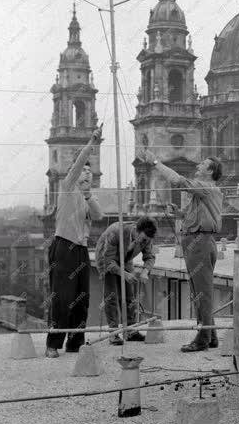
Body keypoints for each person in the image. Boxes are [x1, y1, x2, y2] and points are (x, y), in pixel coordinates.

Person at [138, 150, 223, 352]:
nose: (198, 166)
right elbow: (198, 214)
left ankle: (202, 339)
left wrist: (156, 162)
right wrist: (180, 213)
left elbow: (178, 180)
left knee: (202, 292)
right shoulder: (206, 191)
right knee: (200, 291)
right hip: (199, 241)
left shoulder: (205, 187)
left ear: (210, 171)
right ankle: (210, 336)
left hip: (199, 242)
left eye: (203, 164)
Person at [46, 126, 103, 358]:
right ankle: (53, 344)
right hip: (64, 248)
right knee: (63, 298)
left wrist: (89, 195)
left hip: (80, 250)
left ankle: (75, 342)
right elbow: (79, 163)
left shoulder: (85, 196)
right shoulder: (67, 188)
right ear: (75, 173)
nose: (87, 174)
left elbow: (98, 215)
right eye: (84, 171)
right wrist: (91, 143)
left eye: (90, 172)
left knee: (82, 298)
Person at [95, 216, 157, 345]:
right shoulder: (115, 232)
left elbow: (150, 256)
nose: (145, 242)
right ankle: (113, 333)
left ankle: (130, 331)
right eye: (144, 239)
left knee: (130, 296)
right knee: (111, 296)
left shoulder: (147, 237)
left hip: (125, 259)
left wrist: (145, 271)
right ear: (136, 230)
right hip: (106, 258)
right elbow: (109, 262)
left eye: (147, 240)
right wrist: (125, 274)